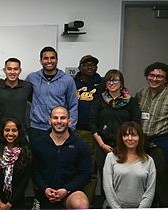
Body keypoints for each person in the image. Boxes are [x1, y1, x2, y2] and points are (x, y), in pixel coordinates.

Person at [135, 62, 168, 206]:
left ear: (166, 79)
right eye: (152, 75)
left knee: (164, 183)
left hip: (162, 145)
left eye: (159, 76)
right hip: (141, 145)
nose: (154, 79)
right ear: (147, 77)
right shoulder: (141, 93)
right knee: (144, 184)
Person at [89, 69, 141, 191]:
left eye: (115, 80)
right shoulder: (99, 100)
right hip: (103, 145)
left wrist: (125, 143)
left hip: (125, 145)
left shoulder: (131, 101)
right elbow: (92, 123)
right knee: (105, 178)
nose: (112, 83)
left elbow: (136, 123)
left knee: (124, 176)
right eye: (109, 81)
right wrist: (101, 144)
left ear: (121, 83)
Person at [30, 106, 91, 209]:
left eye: (63, 118)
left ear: (69, 121)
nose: (59, 121)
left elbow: (86, 173)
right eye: (55, 118)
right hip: (46, 194)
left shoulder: (80, 145)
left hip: (70, 192)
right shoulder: (38, 144)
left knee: (81, 204)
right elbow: (34, 171)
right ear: (50, 121)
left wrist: (66, 189)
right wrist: (45, 189)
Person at [25, 47, 78, 145]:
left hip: (59, 127)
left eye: (52, 58)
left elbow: (73, 105)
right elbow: (22, 93)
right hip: (36, 128)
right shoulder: (32, 78)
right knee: (36, 158)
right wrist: (0, 81)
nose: (49, 61)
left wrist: (70, 127)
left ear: (57, 60)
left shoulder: (67, 80)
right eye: (45, 58)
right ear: (40, 61)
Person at [102, 121, 156, 208]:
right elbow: (108, 187)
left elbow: (150, 191)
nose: (130, 138)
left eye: (134, 135)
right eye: (126, 135)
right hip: (113, 208)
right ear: (121, 138)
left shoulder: (149, 161)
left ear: (140, 137)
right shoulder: (111, 157)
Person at [73, 55, 103, 202]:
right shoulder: (72, 82)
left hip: (94, 133)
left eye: (93, 65)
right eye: (87, 65)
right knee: (73, 167)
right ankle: (73, 200)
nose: (90, 67)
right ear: (80, 67)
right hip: (74, 130)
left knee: (91, 169)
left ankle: (87, 202)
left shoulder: (102, 83)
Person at [0, 118, 32, 210]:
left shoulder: (25, 151)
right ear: (2, 131)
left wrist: (9, 204)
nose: (10, 133)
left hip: (17, 202)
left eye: (14, 130)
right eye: (7, 130)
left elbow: (24, 181)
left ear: (19, 132)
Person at [0, 58, 33, 136]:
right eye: (9, 69)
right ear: (4, 70)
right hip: (0, 132)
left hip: (21, 132)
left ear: (20, 70)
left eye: (15, 69)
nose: (12, 72)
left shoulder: (27, 87)